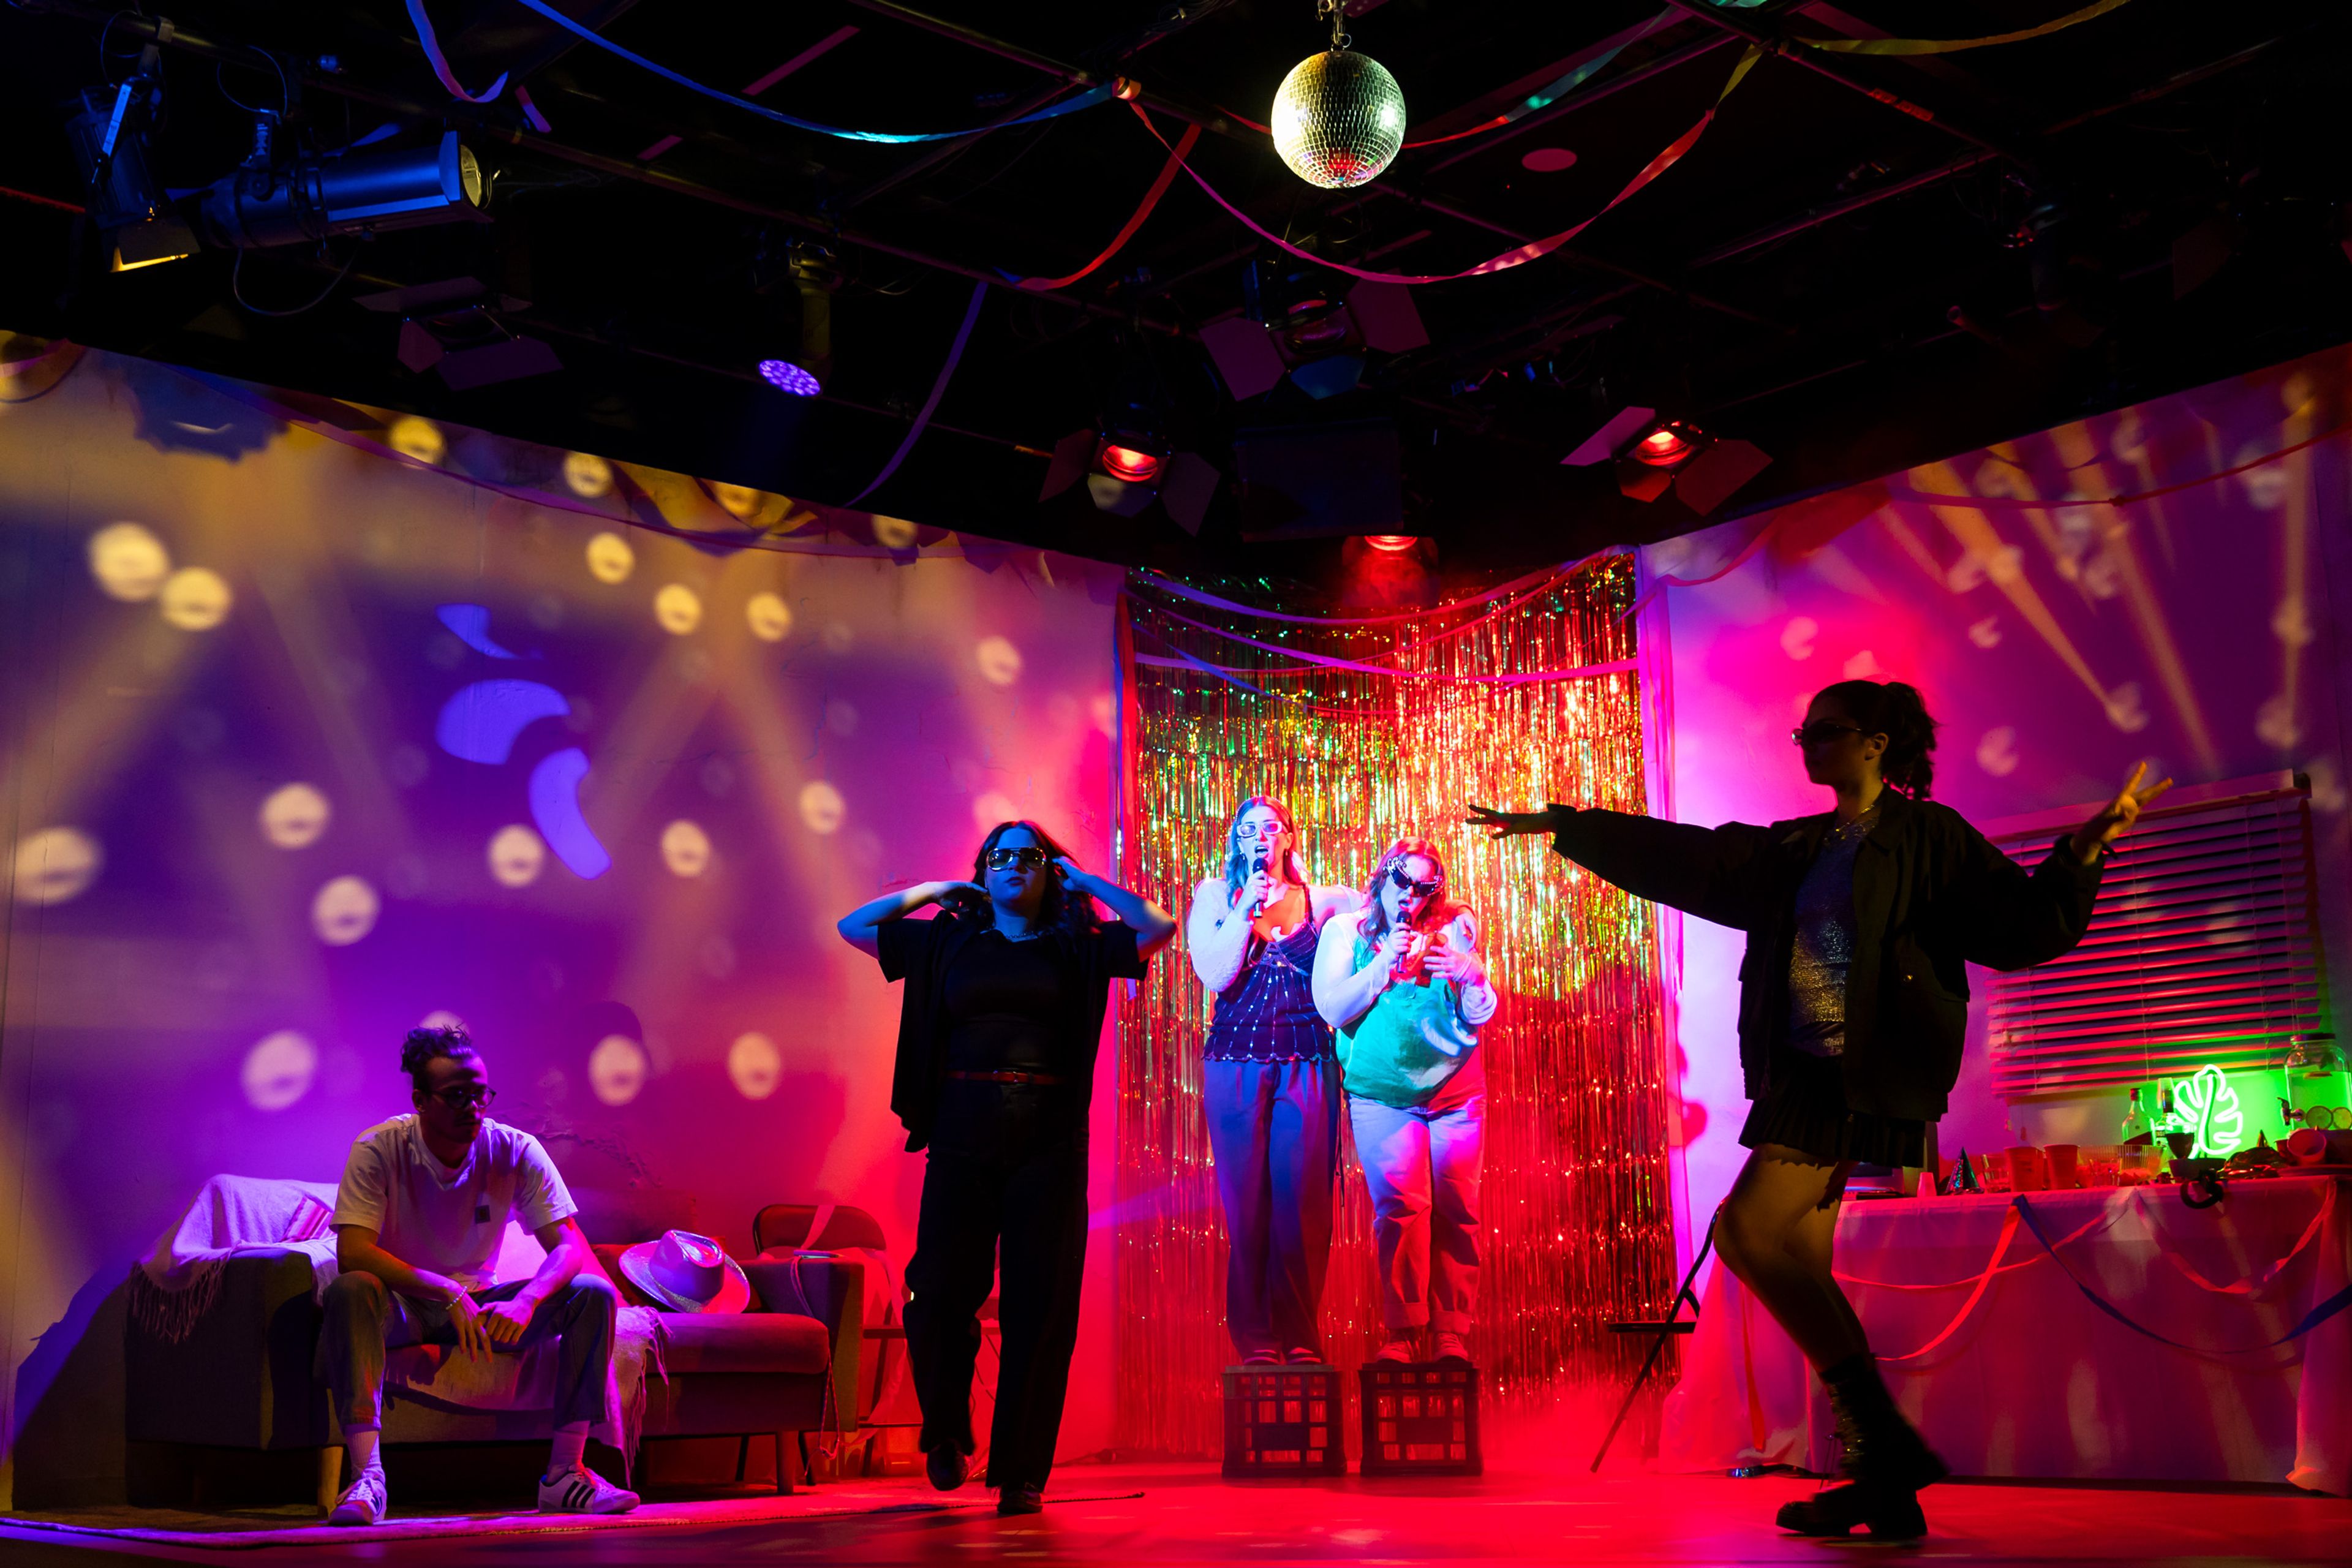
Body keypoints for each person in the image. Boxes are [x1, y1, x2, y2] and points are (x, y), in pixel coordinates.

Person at [1470, 679, 2166, 1542]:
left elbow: (2024, 930)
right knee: (1794, 1252)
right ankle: (1882, 1481)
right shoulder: (1797, 848)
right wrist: (1573, 827)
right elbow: (1695, 859)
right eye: (1805, 730)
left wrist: (2080, 856)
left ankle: (1889, 1448)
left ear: (1877, 744)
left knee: (1746, 1234)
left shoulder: (1928, 837)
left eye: (1828, 731)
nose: (1809, 743)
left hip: (1863, 1075)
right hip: (1800, 1073)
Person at [837, 821, 1175, 1517]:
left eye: (1030, 856)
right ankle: (947, 1433)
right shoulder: (948, 937)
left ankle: (1022, 1473)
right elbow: (852, 925)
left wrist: (1086, 883)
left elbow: (1158, 925)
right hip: (961, 1128)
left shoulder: (1075, 944)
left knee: (1040, 1307)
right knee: (937, 1292)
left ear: (1049, 870)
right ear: (983, 871)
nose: (1014, 865)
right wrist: (934, 891)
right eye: (1001, 856)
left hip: (1048, 1138)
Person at [319, 1024, 637, 1526]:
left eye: (480, 1093)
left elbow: (569, 1247)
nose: (473, 1107)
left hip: (482, 1309)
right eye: (456, 1096)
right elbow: (353, 1251)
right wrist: (442, 1287)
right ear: (421, 1100)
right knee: (352, 1289)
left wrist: (527, 1300)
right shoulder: (380, 1148)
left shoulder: (514, 1148)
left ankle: (564, 1475)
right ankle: (368, 1478)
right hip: (405, 1306)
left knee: (591, 1293)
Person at [1186, 796, 1363, 1366]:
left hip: (1307, 1064)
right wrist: (1245, 910)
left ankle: (1302, 1336)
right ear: (1238, 841)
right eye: (1248, 830)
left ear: (1288, 836)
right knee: (1248, 1205)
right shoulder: (1216, 895)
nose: (1260, 837)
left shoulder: (1327, 901)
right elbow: (1214, 972)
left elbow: (1386, 915)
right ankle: (1257, 1338)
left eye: (1270, 828)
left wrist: (1451, 926)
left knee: (1302, 1204)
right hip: (1234, 1065)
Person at [1310, 836, 1498, 1365]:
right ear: (1382, 877)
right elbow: (1330, 1006)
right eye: (1402, 881)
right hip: (1382, 1096)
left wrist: (1472, 975)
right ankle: (1404, 1331)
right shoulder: (1347, 931)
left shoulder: (1454, 927)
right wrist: (1382, 967)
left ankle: (1450, 1333)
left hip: (1455, 1095)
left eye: (1423, 887)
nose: (1410, 896)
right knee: (1400, 1210)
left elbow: (1480, 1014)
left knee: (1458, 1210)